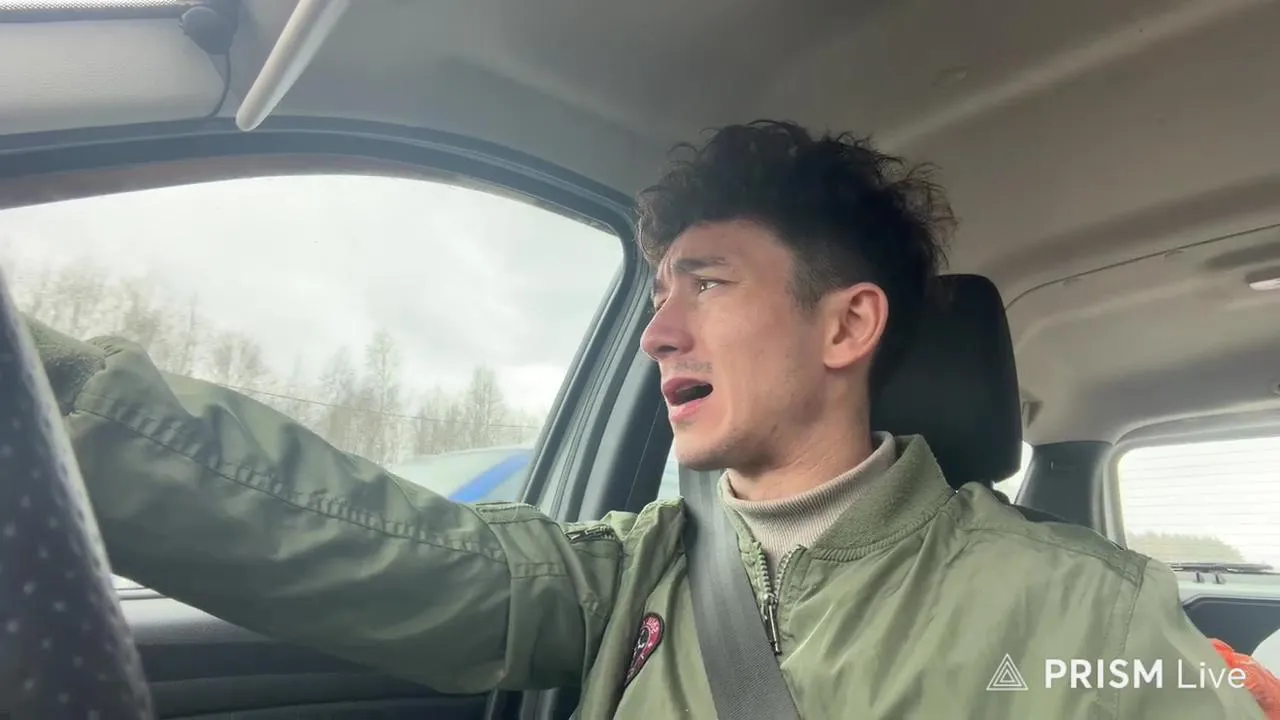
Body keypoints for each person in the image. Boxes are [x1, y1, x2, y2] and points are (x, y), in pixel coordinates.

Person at [26, 121, 1263, 719]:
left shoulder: (1087, 617)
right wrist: (33, 401)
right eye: (656, 290)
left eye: (705, 283)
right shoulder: (621, 578)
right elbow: (339, 534)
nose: (655, 331)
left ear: (845, 326)